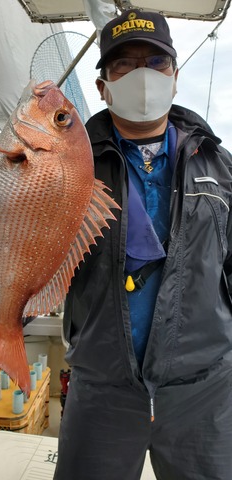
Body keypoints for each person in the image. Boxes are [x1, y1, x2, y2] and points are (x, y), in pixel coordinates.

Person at [54, 9, 232, 480]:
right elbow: (43, 259)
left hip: (205, 391)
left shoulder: (219, 165)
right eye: (124, 66)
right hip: (101, 388)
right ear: (102, 87)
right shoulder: (68, 166)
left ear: (175, 77)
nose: (142, 76)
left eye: (156, 62)